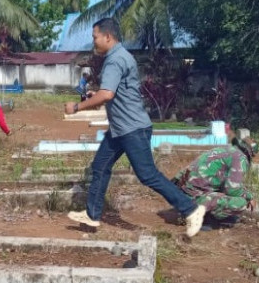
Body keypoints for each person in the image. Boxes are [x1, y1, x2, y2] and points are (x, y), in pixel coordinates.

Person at [64, 17, 205, 237]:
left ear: (107, 36)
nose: (94, 42)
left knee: (147, 174)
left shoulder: (114, 59)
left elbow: (107, 94)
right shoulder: (120, 56)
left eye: (95, 37)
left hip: (131, 129)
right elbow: (114, 92)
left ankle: (191, 209)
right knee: (100, 166)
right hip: (120, 129)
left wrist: (77, 106)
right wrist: (97, 94)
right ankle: (92, 217)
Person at [172, 133, 258, 227]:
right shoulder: (239, 158)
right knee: (241, 203)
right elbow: (232, 190)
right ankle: (204, 219)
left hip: (181, 194)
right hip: (195, 198)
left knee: (223, 191)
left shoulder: (223, 150)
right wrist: (249, 197)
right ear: (249, 153)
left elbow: (179, 176)